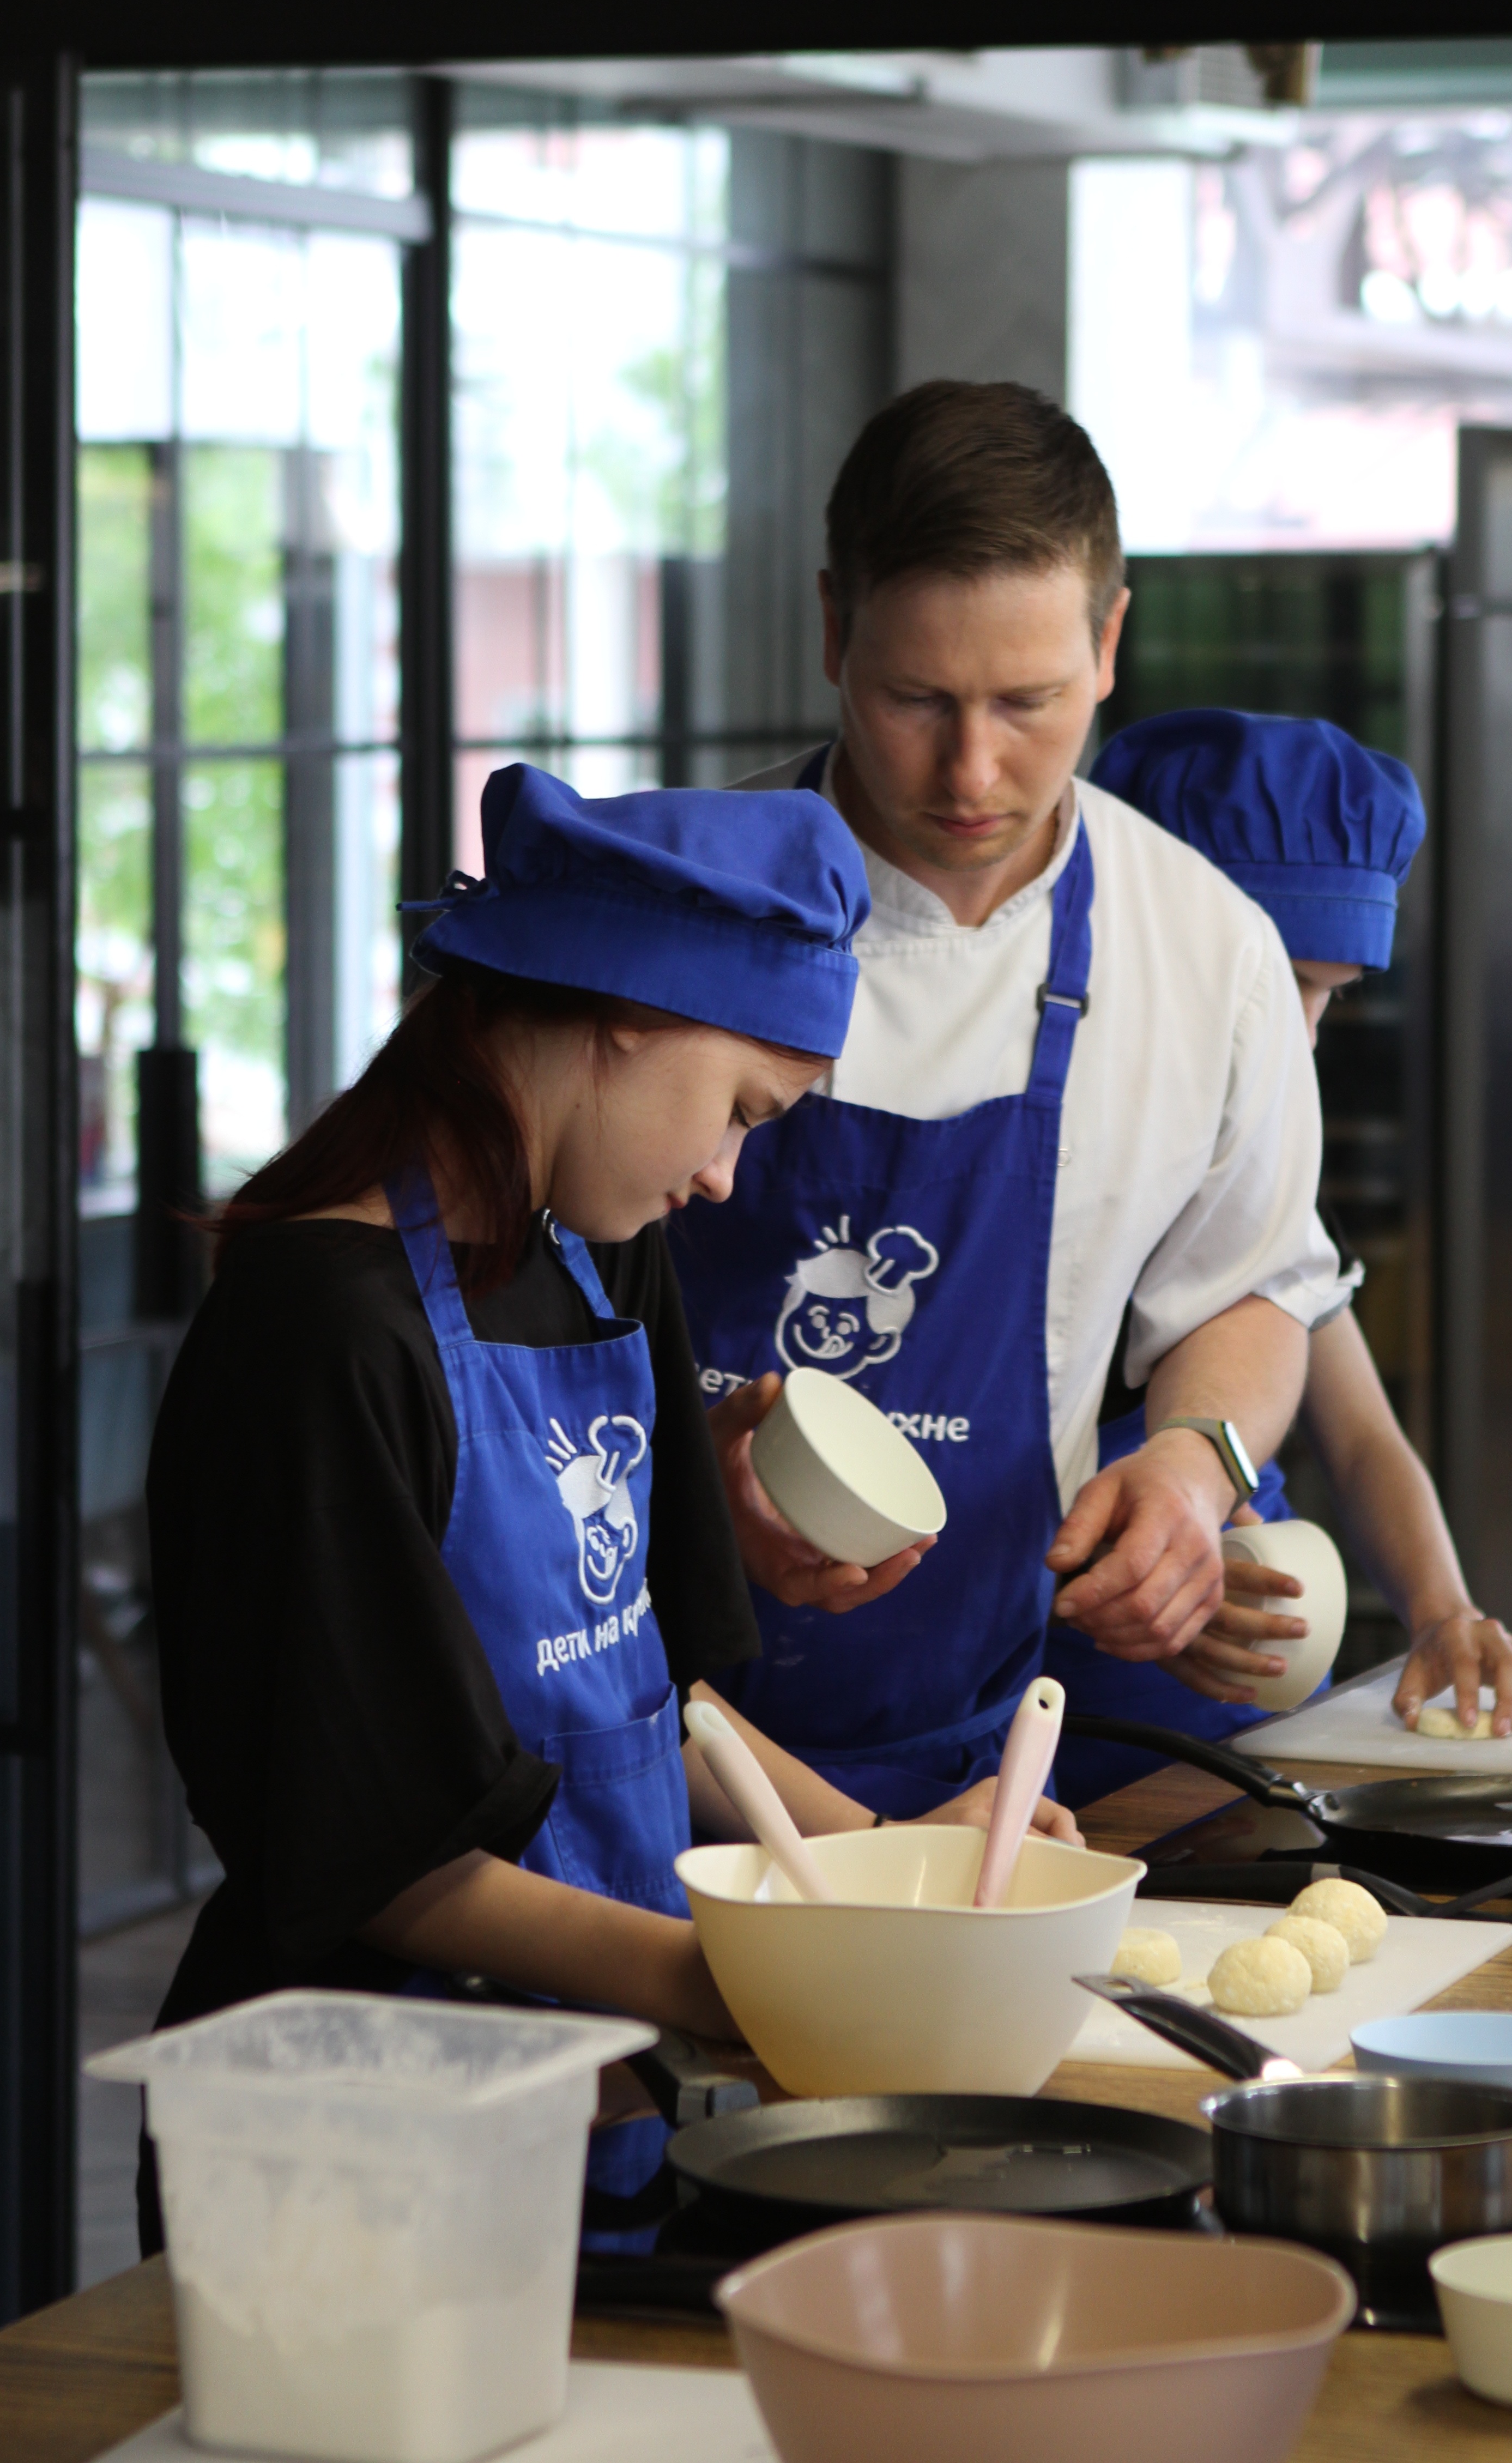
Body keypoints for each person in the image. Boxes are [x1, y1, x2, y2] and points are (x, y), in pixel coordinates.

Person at [143, 764, 1075, 2243]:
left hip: (611, 2107)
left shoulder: (601, 1256)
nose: (723, 1177)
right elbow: (379, 1852)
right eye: (738, 1112)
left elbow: (659, 1692)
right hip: (371, 2140)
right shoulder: (318, 1331)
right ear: (624, 1011)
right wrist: (738, 1984)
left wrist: (892, 1879)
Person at [668, 382, 1339, 1817]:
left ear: (1109, 642)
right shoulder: (684, 918)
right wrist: (694, 1496)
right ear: (836, 629)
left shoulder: (1205, 950)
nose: (973, 772)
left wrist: (1191, 1463)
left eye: (1029, 704)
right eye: (917, 700)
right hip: (661, 1722)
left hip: (981, 1751)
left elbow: (1249, 1288)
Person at [1053, 709, 1512, 1802]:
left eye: (1328, 996)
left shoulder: (1246, 1153)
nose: (1302, 1036)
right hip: (1047, 1722)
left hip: (1233, 1733)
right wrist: (1128, 1576)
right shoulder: (1051, 1142)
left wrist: (1444, 1612)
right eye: (1279, 988)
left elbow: (1363, 1437)